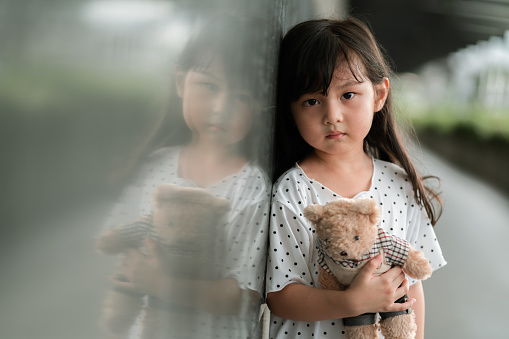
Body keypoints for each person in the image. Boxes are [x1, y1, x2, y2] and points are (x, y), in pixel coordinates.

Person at [265, 17, 447, 339]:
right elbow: (281, 296)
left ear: (379, 95)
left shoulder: (401, 184)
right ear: (291, 111)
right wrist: (352, 302)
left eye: (348, 95)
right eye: (312, 101)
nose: (331, 115)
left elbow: (413, 288)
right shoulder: (293, 190)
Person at [99, 13, 276, 339]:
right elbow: (121, 244)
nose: (221, 107)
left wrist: (161, 284)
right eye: (209, 86)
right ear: (181, 82)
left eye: (241, 96)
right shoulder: (155, 166)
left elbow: (243, 295)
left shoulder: (250, 187)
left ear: (262, 106)